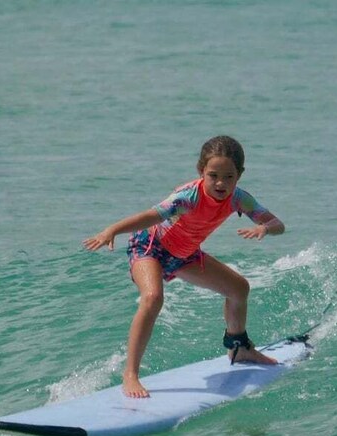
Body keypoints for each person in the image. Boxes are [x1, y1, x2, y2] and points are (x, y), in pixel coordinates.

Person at [83, 135, 285, 398]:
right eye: (213, 175)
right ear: (201, 172)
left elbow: (277, 224)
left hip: (185, 254)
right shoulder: (188, 197)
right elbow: (150, 215)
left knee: (239, 289)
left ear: (240, 175)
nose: (221, 183)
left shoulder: (239, 199)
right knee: (153, 297)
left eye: (229, 176)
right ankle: (130, 374)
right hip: (150, 247)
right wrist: (113, 230)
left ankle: (240, 348)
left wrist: (264, 228)